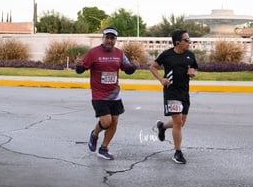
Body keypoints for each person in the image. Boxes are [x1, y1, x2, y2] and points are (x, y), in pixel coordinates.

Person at [75, 26, 140, 160]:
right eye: (107, 37)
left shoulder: (119, 53)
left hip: (114, 94)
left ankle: (103, 148)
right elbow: (81, 70)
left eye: (112, 38)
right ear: (103, 38)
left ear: (115, 40)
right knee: (106, 122)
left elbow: (128, 70)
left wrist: (134, 66)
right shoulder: (93, 53)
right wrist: (78, 65)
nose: (109, 40)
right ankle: (94, 134)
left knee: (114, 122)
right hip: (99, 94)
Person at [149, 29, 198, 164]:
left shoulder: (190, 55)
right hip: (171, 92)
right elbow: (153, 67)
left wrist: (193, 72)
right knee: (177, 122)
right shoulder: (167, 55)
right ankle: (177, 152)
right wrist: (161, 79)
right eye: (186, 40)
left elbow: (194, 68)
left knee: (181, 122)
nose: (189, 42)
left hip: (184, 92)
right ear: (178, 42)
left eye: (189, 39)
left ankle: (162, 127)